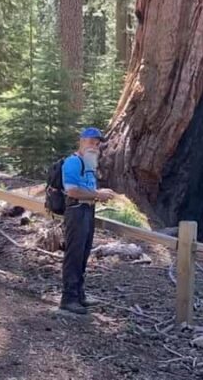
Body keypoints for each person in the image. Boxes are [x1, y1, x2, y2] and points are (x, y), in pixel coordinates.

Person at [59, 127, 116, 314]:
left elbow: (87, 189)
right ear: (82, 141)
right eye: (91, 141)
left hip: (87, 210)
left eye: (97, 143)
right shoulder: (73, 162)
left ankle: (79, 294)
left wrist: (97, 196)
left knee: (83, 253)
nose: (94, 146)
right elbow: (72, 190)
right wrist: (98, 194)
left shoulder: (89, 164)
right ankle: (68, 298)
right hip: (76, 210)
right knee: (74, 254)